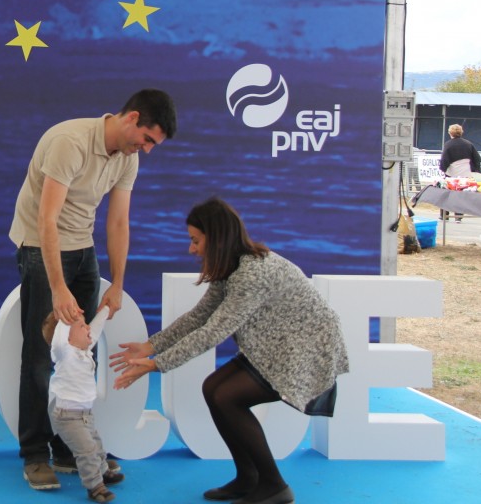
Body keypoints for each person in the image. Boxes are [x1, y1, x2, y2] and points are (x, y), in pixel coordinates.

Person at [111, 197, 348, 504]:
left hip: (306, 350)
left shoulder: (251, 274)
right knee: (213, 388)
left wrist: (157, 364)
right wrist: (150, 346)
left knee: (228, 397)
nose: (191, 249)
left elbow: (212, 333)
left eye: (196, 241)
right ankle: (248, 478)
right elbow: (199, 316)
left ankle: (274, 486)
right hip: (277, 345)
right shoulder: (232, 266)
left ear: (216, 238)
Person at [11, 89, 177, 490]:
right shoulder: (69, 142)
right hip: (40, 246)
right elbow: (47, 219)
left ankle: (70, 448)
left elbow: (118, 222)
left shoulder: (128, 157)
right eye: (147, 139)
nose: (147, 149)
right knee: (40, 356)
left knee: (81, 352)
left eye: (153, 145)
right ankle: (35, 453)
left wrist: (117, 283)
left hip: (83, 249)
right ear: (131, 118)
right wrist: (57, 288)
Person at [44, 308, 125, 502]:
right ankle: (95, 486)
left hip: (85, 414)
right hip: (68, 417)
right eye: (82, 326)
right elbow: (60, 336)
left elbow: (95, 329)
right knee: (87, 450)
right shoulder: (64, 352)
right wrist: (64, 315)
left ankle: (102, 472)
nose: (88, 328)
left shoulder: (84, 350)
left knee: (96, 445)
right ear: (66, 336)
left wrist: (106, 310)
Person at [437, 124, 481, 222]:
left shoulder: (448, 144)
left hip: (451, 174)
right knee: (461, 194)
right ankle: (458, 216)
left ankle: (444, 215)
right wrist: (476, 170)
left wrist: (442, 169)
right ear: (461, 132)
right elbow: (477, 159)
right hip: (465, 173)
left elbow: (444, 160)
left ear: (450, 133)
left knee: (446, 193)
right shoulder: (468, 144)